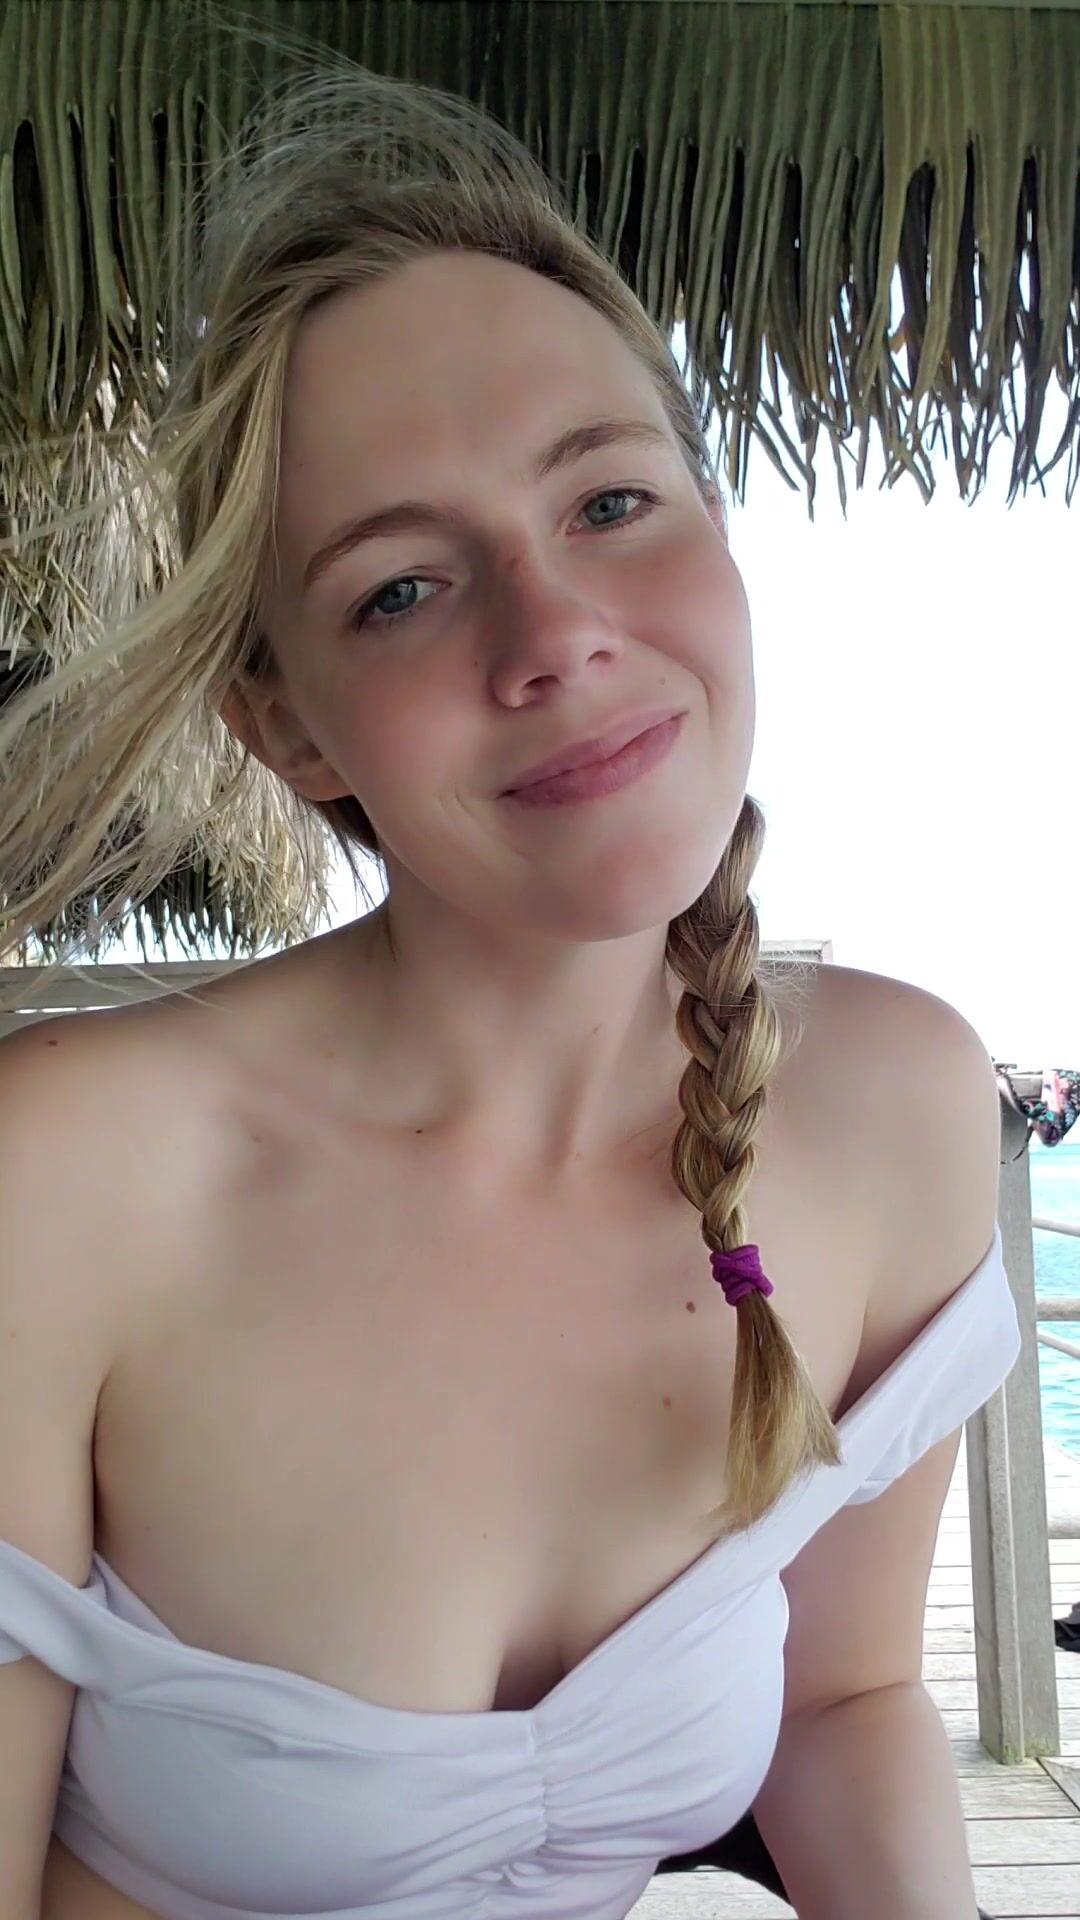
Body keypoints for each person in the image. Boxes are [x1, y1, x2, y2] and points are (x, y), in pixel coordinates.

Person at [0, 18, 1019, 1920]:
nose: (553, 631)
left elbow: (844, 1698)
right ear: (286, 726)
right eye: (401, 586)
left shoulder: (893, 1110)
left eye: (609, 502)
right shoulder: (69, 1178)